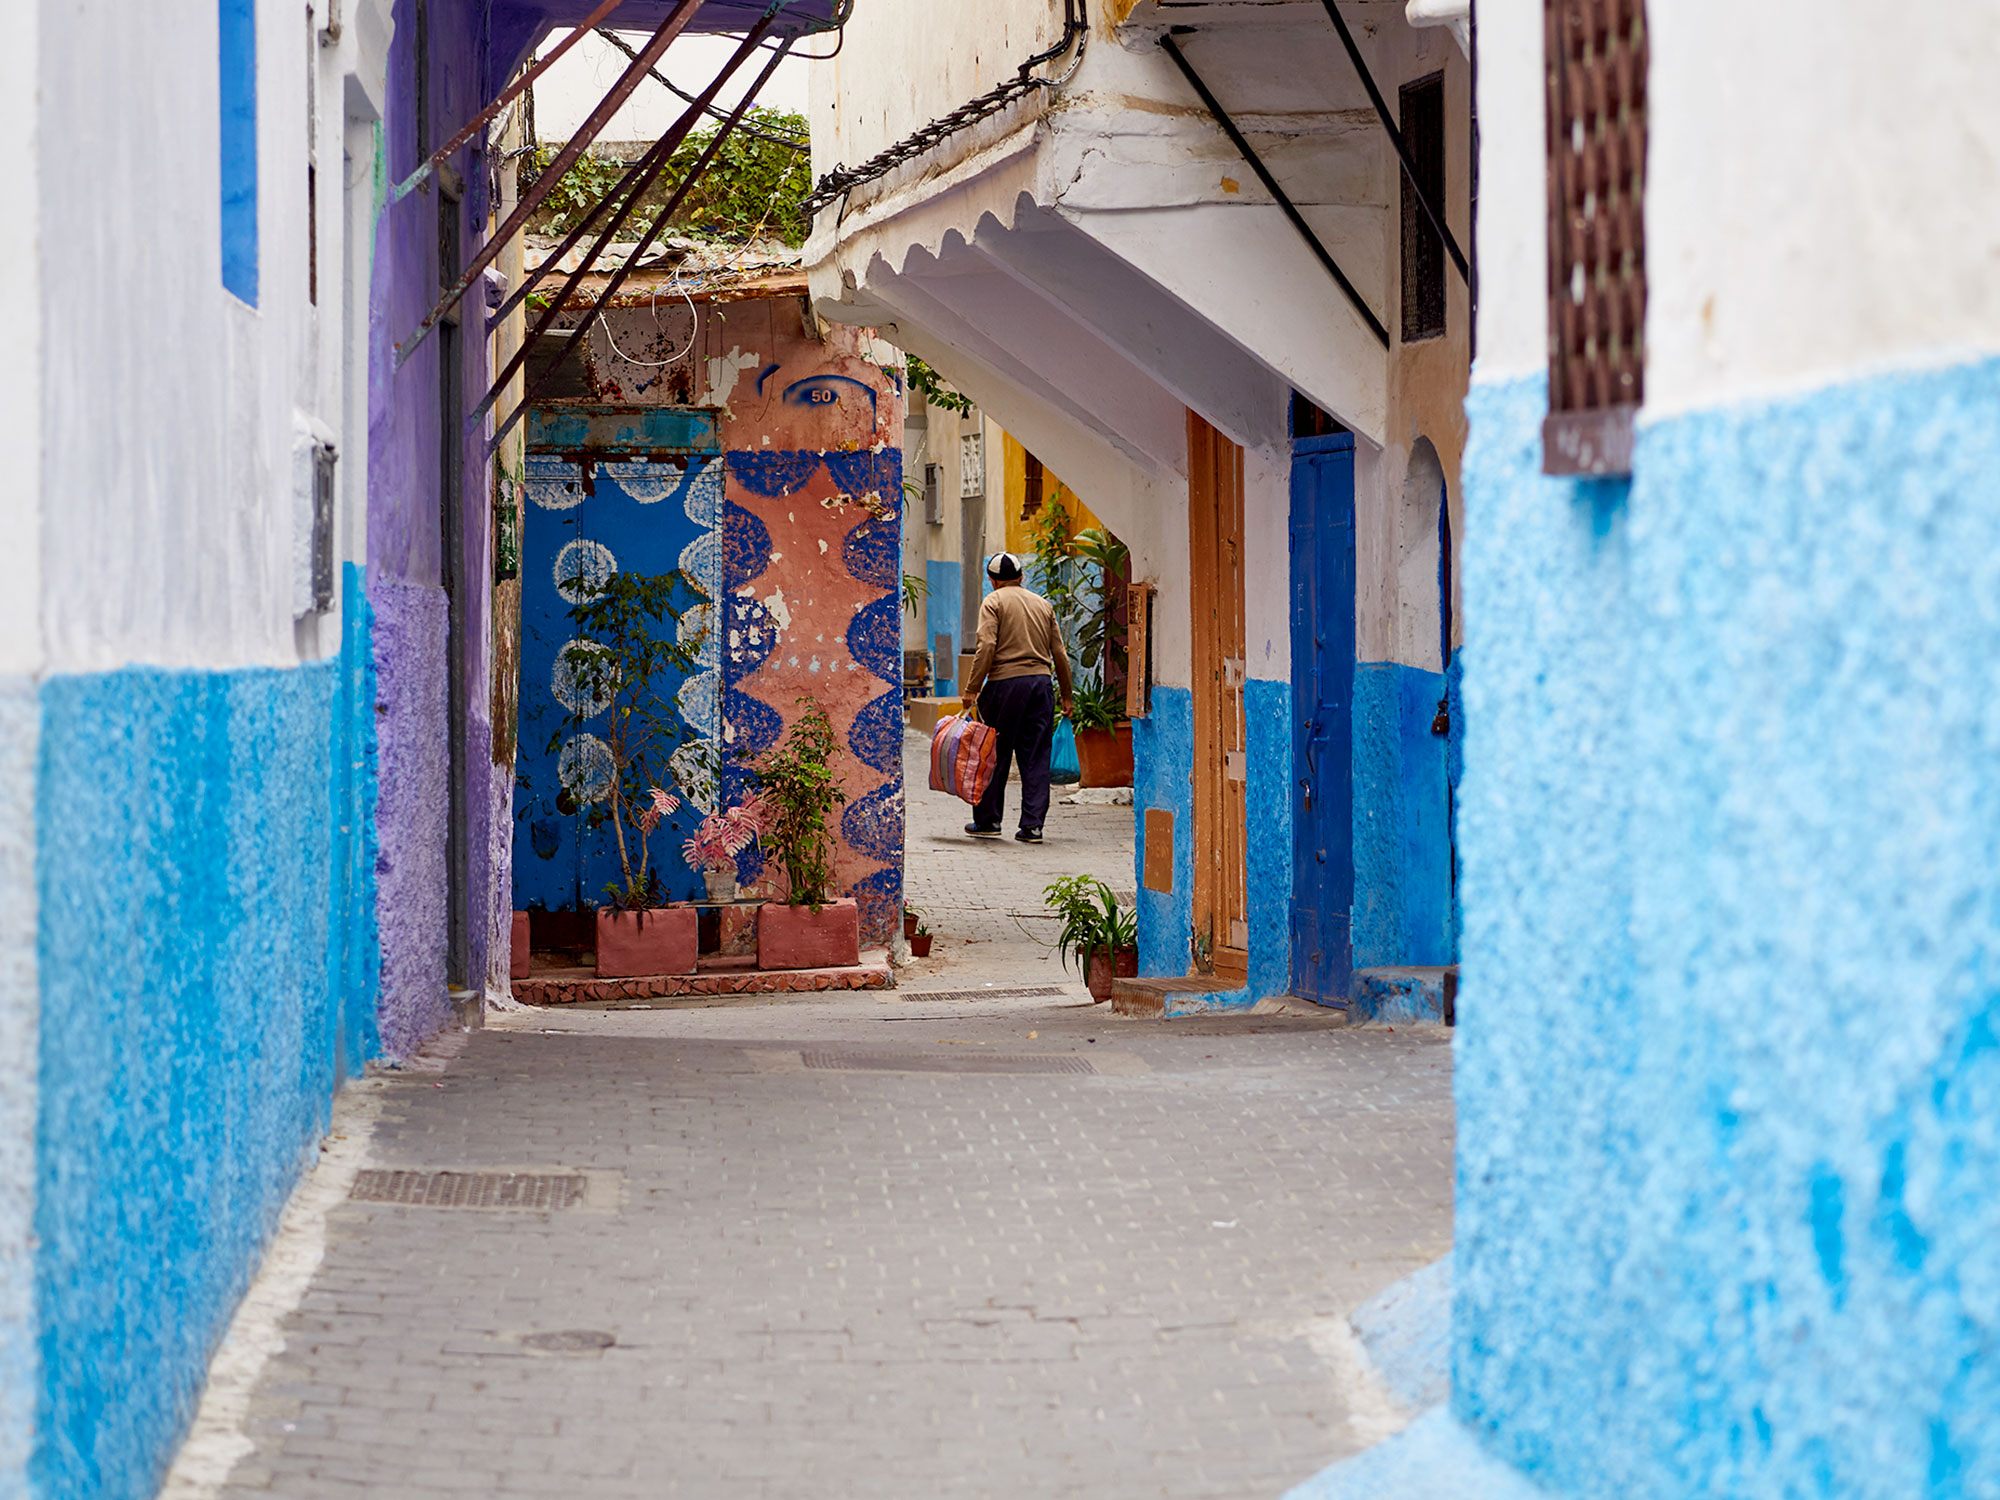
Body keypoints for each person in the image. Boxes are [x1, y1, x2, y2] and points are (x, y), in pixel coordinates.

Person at [959, 552, 1074, 843]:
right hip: (1040, 685)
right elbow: (1059, 654)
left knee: (992, 754)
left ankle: (988, 821)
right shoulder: (1043, 604)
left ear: (992, 581)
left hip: (1003, 686)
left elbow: (986, 645)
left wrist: (972, 689)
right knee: (1036, 756)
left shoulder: (993, 602)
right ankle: (1033, 826)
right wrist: (1068, 697)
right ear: (1022, 577)